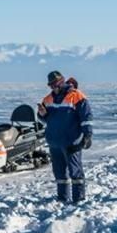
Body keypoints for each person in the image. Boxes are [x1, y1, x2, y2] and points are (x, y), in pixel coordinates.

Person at [37, 71, 92, 203]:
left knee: (75, 172)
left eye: (56, 84)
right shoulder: (47, 99)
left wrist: (87, 135)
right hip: (54, 142)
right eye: (51, 85)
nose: (54, 87)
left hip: (71, 141)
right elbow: (44, 119)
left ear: (62, 82)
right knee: (59, 173)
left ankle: (79, 198)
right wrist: (42, 114)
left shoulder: (76, 96)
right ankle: (62, 198)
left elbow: (86, 117)